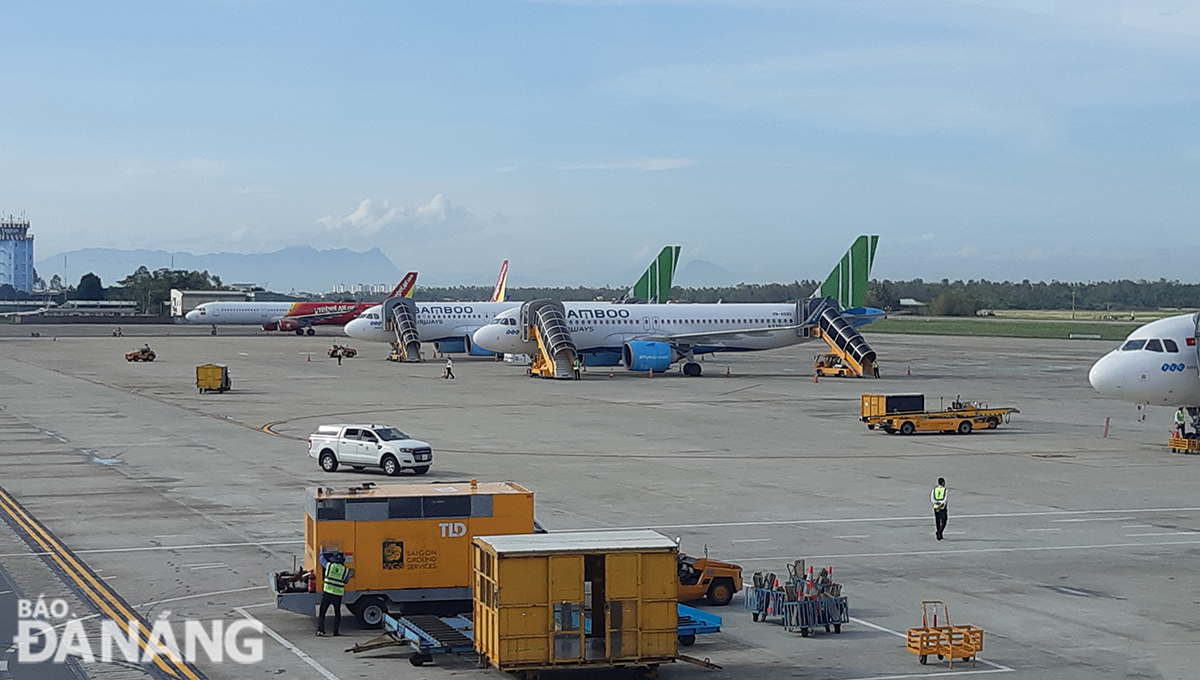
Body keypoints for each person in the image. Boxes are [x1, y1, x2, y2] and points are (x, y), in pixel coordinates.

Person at [317, 549, 350, 636]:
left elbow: (322, 560)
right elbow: (346, 581)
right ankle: (336, 631)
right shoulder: (345, 570)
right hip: (337, 595)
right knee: (337, 613)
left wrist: (321, 551)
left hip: (327, 593)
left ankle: (321, 630)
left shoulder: (329, 566)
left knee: (322, 612)